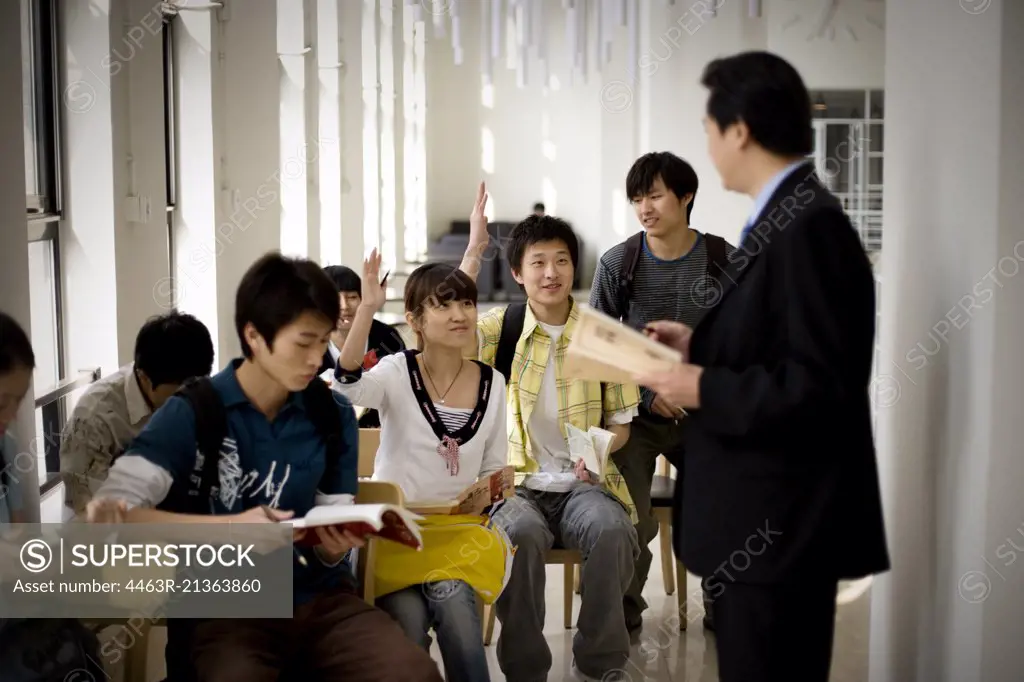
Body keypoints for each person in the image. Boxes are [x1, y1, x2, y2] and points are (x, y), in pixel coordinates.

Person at [634, 51, 890, 682]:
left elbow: (820, 388)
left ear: (740, 129)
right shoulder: (784, 218)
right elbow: (785, 352)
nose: (710, 143)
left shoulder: (808, 228)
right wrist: (701, 350)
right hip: (765, 524)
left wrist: (699, 383)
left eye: (709, 128)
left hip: (780, 528)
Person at [86, 252, 444, 682]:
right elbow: (110, 515)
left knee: (411, 671)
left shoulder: (331, 414)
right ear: (254, 336)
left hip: (320, 603)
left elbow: (332, 530)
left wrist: (333, 547)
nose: (317, 359)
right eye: (303, 342)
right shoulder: (196, 412)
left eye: (323, 341)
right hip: (226, 608)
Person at [460, 183, 641, 682]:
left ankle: (601, 662)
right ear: (517, 272)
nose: (551, 273)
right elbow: (444, 321)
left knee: (611, 530)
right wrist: (474, 253)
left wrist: (601, 450)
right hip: (516, 485)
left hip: (585, 483)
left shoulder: (604, 335)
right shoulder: (500, 330)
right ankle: (525, 668)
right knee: (517, 533)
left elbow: (621, 423)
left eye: (561, 261)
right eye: (537, 263)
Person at [331, 253, 506, 682]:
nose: (460, 314)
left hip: (458, 537)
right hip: (396, 536)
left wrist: (492, 493)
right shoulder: (396, 371)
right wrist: (368, 307)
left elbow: (495, 466)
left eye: (466, 304)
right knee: (406, 628)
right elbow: (345, 386)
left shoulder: (492, 382)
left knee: (459, 617)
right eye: (443, 306)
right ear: (415, 320)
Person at [589, 151, 734, 635]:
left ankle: (724, 611)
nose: (644, 207)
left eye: (653, 195)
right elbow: (599, 350)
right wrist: (649, 396)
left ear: (686, 196)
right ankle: (624, 616)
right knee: (630, 518)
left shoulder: (724, 260)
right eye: (636, 198)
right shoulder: (618, 263)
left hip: (705, 412)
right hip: (637, 416)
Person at [0, 311, 106, 682]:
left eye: (18, 401)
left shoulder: (7, 449)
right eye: (2, 403)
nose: (11, 416)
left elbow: (16, 543)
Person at [60, 311, 214, 513]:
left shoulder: (201, 395)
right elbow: (92, 510)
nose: (190, 401)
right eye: (178, 394)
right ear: (144, 378)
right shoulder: (94, 418)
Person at [319, 264, 405, 429]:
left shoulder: (387, 338)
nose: (344, 306)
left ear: (362, 299)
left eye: (352, 297)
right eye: (335, 298)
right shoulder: (309, 343)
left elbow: (400, 391)